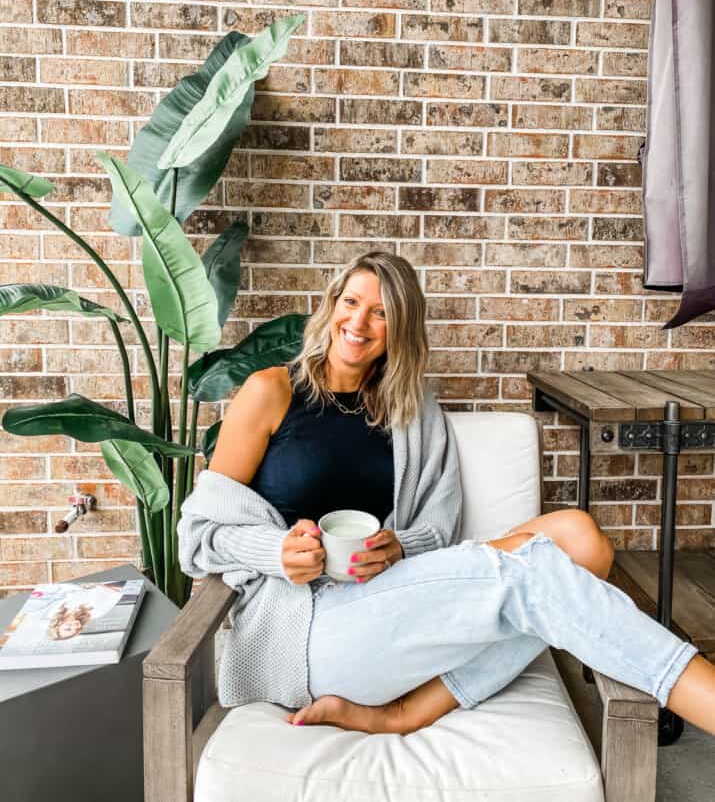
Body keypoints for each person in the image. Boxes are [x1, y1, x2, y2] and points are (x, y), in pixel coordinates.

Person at [181, 251, 715, 736]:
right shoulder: (270, 391)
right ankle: (406, 713)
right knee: (539, 576)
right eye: (351, 302)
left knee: (582, 541)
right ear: (331, 305)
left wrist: (400, 547)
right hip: (307, 623)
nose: (359, 323)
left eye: (382, 313)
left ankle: (407, 709)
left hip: (387, 596)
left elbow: (438, 528)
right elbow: (197, 537)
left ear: (400, 329)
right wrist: (276, 554)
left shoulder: (412, 409)